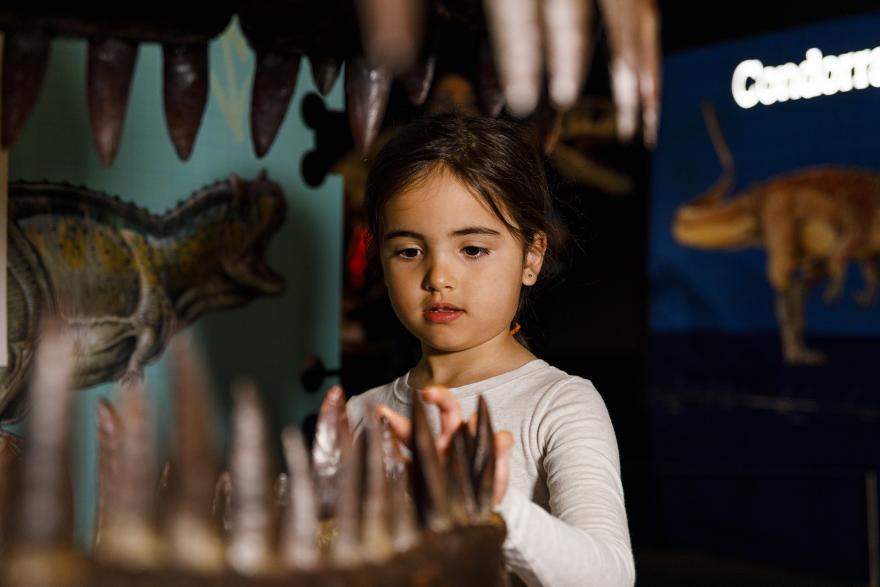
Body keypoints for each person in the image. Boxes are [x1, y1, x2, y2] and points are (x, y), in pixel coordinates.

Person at [345, 113, 635, 587]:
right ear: (381, 259)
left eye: (473, 249)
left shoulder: (560, 404)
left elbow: (610, 575)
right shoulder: (360, 414)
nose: (439, 277)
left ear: (532, 256)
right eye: (410, 251)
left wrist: (491, 501)